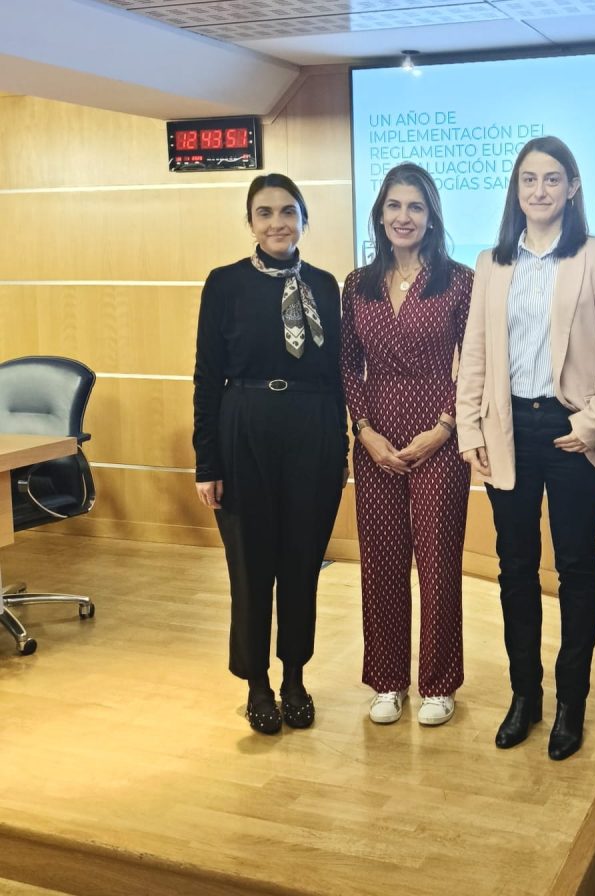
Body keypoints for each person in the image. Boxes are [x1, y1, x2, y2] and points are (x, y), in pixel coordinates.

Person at [456, 136, 595, 761]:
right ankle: (524, 696)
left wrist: (593, 423)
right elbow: (475, 351)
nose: (540, 190)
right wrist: (470, 429)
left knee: (577, 568)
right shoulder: (491, 262)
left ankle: (570, 703)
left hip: (572, 430)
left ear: (572, 187)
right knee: (515, 568)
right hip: (509, 431)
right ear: (516, 189)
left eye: (552, 179)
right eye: (529, 179)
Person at [193, 173, 348, 736]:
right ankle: (257, 682)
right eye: (265, 213)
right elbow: (207, 376)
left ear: (304, 218)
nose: (277, 222)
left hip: (313, 431)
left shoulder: (327, 285)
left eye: (288, 211)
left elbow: (338, 374)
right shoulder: (225, 283)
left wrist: (341, 445)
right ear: (250, 222)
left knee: (302, 565)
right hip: (245, 428)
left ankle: (295, 678)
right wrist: (206, 463)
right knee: (252, 566)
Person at [341, 163, 473, 727]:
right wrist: (364, 430)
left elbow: (476, 363)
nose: (404, 217)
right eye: (394, 206)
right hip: (375, 440)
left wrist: (444, 427)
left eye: (415, 207)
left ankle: (439, 684)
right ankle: (388, 681)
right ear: (379, 215)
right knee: (381, 564)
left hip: (439, 437)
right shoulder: (358, 284)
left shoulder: (459, 280)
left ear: (431, 217)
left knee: (438, 565)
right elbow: (348, 363)